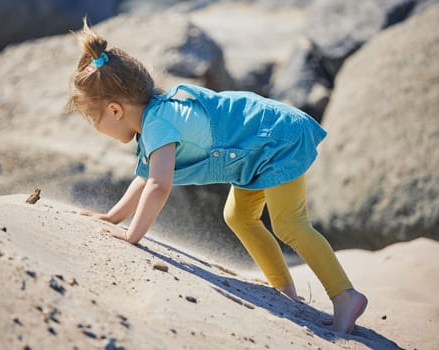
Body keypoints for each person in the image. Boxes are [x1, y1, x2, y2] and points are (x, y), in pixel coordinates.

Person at [67, 19, 367, 334]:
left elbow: (158, 186)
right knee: (238, 216)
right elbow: (143, 179)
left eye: (92, 117)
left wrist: (132, 236)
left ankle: (345, 295)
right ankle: (285, 291)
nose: (94, 126)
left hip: (277, 139)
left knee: (289, 223)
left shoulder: (158, 124)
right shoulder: (154, 121)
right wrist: (113, 218)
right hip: (256, 150)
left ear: (115, 110)